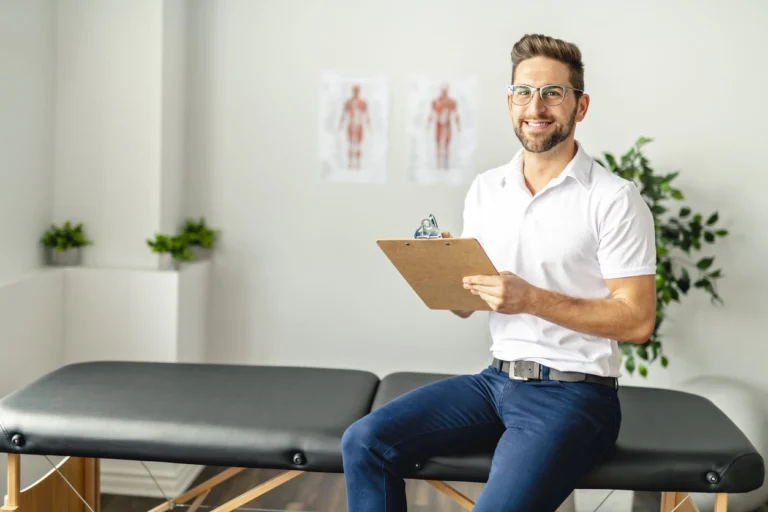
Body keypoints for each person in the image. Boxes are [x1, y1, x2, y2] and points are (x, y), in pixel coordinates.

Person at [341, 33, 657, 511]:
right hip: (495, 382)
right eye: (523, 92)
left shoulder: (614, 199)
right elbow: (468, 308)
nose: (537, 105)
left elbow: (636, 321)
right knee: (364, 441)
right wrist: (445, 271)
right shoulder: (487, 188)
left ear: (581, 105)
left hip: (575, 395)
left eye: (553, 92)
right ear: (510, 103)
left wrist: (531, 299)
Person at [427, 84, 461, 169]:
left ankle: (446, 163)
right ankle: (438, 163)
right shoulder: (435, 101)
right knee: (438, 142)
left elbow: (456, 113)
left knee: (446, 143)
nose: (443, 92)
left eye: (445, 90)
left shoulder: (451, 102)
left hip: (447, 124)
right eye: (442, 90)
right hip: (438, 124)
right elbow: (431, 113)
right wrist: (429, 123)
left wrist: (458, 125)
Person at [339, 84, 370, 170]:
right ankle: (350, 164)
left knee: (358, 145)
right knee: (350, 145)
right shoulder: (348, 102)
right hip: (351, 124)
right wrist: (341, 124)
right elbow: (343, 114)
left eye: (357, 91)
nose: (355, 93)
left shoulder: (362, 102)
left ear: (359, 92)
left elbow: (367, 115)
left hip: (359, 125)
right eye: (354, 91)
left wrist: (368, 125)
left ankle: (358, 165)